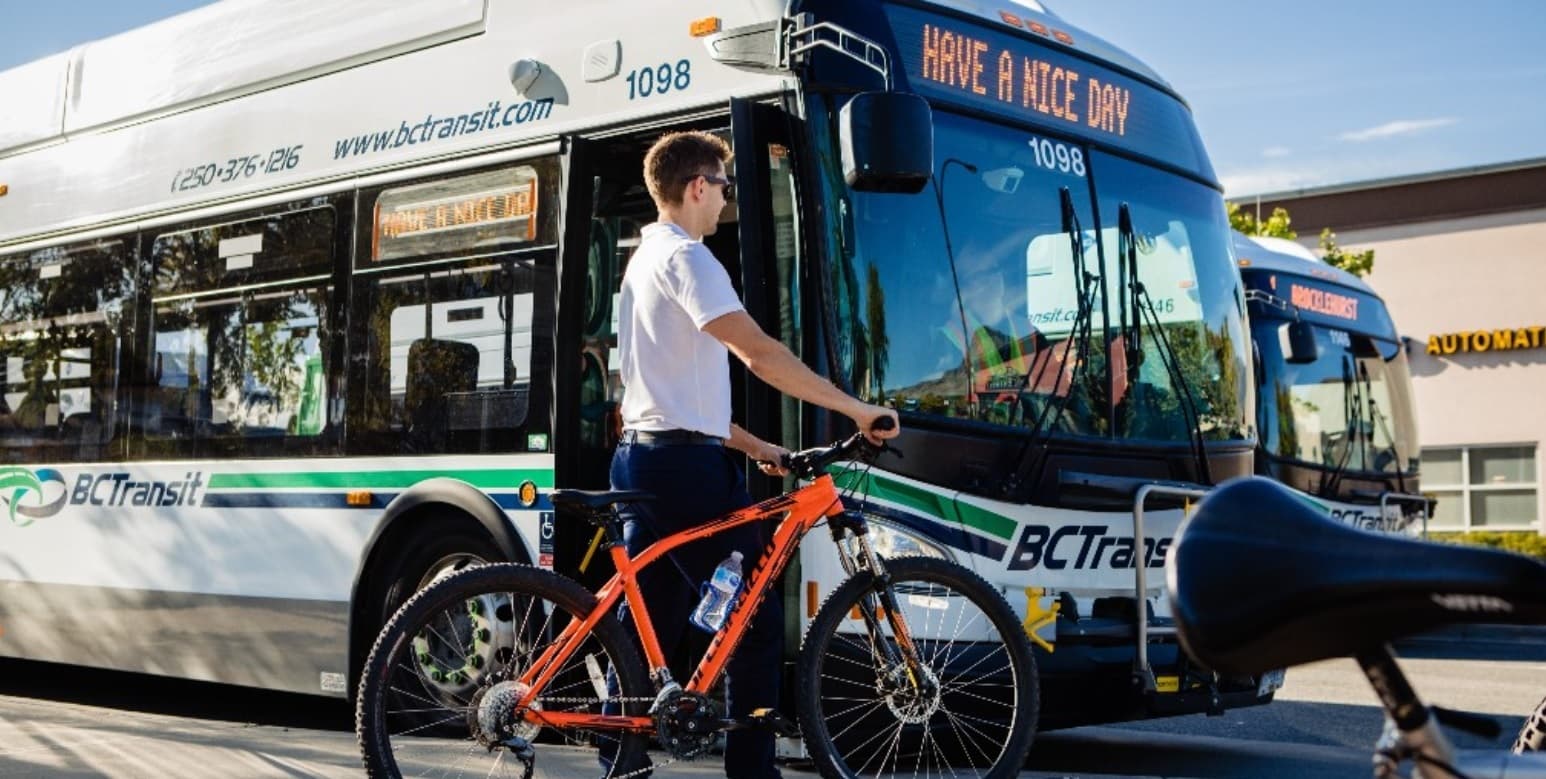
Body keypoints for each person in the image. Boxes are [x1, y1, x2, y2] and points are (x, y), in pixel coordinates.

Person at [608, 130, 899, 779]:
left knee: (648, 612)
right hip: (682, 467)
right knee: (755, 615)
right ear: (696, 187)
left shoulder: (644, 259)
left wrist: (761, 446)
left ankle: (619, 751)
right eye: (724, 187)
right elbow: (760, 352)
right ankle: (751, 770)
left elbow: (678, 395)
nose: (726, 202)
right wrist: (854, 409)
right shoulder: (690, 258)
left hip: (646, 456)